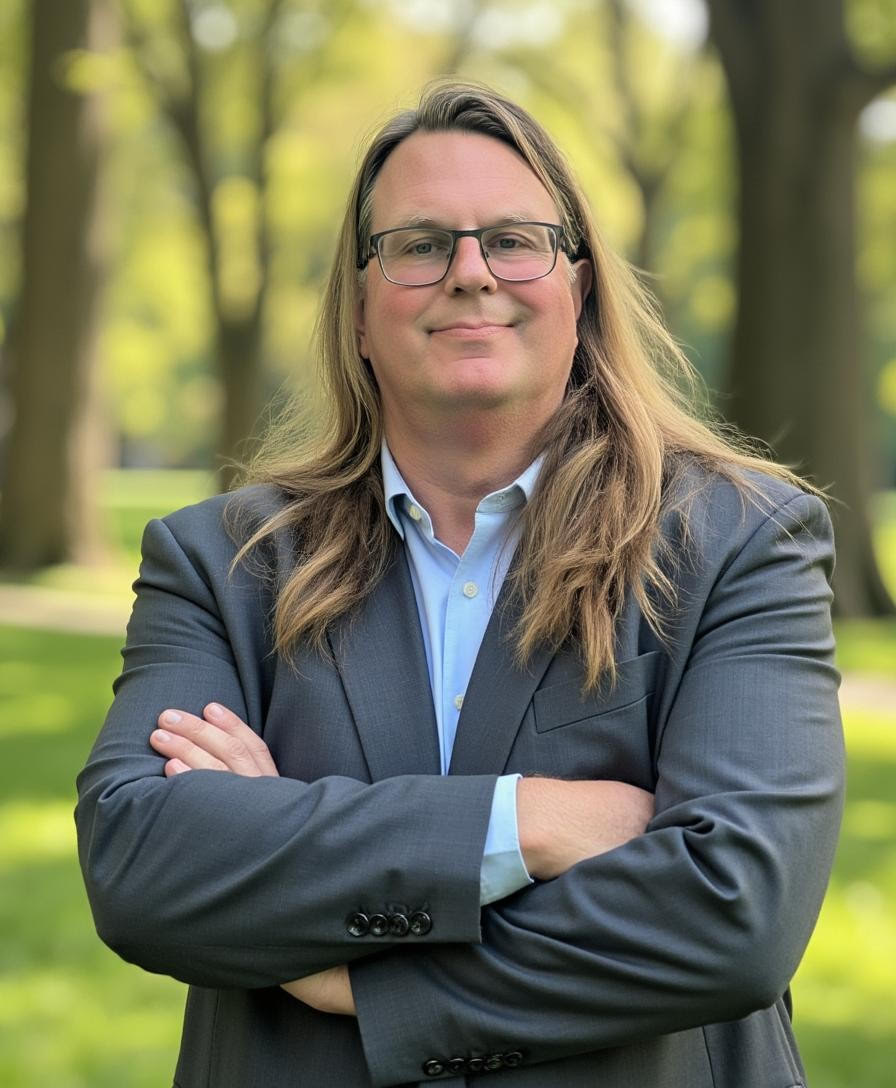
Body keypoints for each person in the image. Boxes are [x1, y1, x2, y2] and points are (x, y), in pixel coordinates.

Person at [76, 80, 844, 1088]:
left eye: (514, 239)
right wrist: (528, 821)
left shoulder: (741, 540)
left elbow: (735, 910)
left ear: (578, 290)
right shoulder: (221, 563)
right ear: (357, 310)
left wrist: (347, 975)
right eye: (420, 244)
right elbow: (145, 866)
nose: (470, 273)